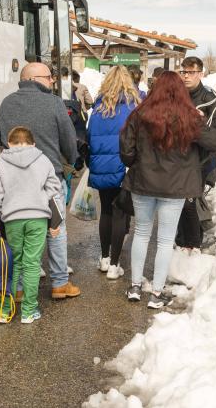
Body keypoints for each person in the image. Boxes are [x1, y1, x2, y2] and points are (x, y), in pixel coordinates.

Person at [119, 72, 216, 309]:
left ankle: (135, 286)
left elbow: (126, 152)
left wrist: (138, 163)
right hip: (176, 187)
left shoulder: (140, 114)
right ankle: (156, 293)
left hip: (143, 183)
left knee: (142, 233)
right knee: (165, 241)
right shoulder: (189, 117)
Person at [0, 62, 81, 300]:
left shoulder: (6, 103)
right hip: (49, 176)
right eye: (49, 77)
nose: (52, 81)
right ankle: (60, 284)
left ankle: (19, 287)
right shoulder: (54, 103)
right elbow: (69, 140)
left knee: (18, 233)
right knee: (56, 229)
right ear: (34, 79)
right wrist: (71, 163)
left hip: (14, 182)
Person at [0, 126, 63, 324]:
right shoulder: (43, 159)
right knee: (32, 264)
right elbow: (54, 187)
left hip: (12, 219)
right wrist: (39, 198)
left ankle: (4, 311)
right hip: (38, 218)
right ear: (33, 143)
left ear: (9, 144)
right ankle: (29, 311)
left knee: (13, 264)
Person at [87, 66, 140, 279]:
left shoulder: (98, 109)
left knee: (106, 212)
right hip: (123, 166)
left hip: (101, 167)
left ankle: (104, 257)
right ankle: (115, 265)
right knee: (121, 213)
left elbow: (90, 137)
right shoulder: (132, 108)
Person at [176, 56, 216, 251]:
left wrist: (200, 128)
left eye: (191, 72)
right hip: (176, 158)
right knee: (178, 202)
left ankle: (192, 244)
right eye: (184, 72)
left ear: (200, 73)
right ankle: (182, 240)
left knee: (190, 202)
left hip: (200, 160)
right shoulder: (176, 94)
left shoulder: (209, 98)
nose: (186, 76)